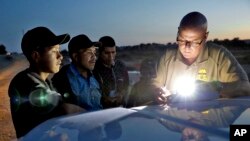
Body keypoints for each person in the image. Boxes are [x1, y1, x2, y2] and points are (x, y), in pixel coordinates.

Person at [152, 11, 250, 104]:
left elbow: (245, 87)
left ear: (205, 36)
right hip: (173, 117)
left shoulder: (219, 55)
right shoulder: (166, 57)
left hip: (210, 118)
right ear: (178, 32)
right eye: (182, 39)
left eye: (194, 42)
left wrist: (214, 87)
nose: (187, 47)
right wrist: (156, 92)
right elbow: (151, 86)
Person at [8, 26, 75, 138]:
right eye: (54, 51)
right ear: (36, 56)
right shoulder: (24, 82)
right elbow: (63, 109)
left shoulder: (46, 82)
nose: (60, 56)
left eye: (59, 50)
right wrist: (93, 116)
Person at [52, 34, 103, 111]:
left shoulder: (96, 74)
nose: (94, 57)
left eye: (94, 52)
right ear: (76, 56)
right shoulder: (61, 79)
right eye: (89, 52)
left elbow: (101, 100)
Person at [93, 36, 129, 108]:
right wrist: (103, 99)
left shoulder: (121, 66)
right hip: (102, 111)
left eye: (113, 52)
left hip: (121, 108)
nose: (111, 56)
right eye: (107, 53)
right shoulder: (93, 68)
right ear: (99, 52)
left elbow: (127, 85)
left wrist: (122, 94)